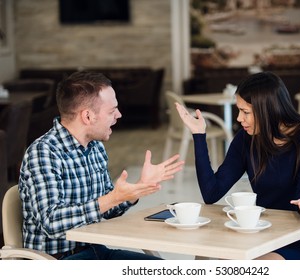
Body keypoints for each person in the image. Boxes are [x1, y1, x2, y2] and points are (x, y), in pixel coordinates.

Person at [18, 71, 184, 260]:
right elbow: (51, 222)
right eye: (112, 111)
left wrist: (134, 190)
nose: (119, 115)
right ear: (88, 116)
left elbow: (107, 209)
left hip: (95, 251)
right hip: (56, 260)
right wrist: (113, 198)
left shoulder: (95, 147)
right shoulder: (44, 153)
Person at [175, 71, 300, 260]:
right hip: (262, 235)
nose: (239, 118)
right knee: (204, 256)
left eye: (245, 112)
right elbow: (212, 193)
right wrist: (198, 135)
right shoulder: (246, 138)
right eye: (239, 110)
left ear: (267, 109)